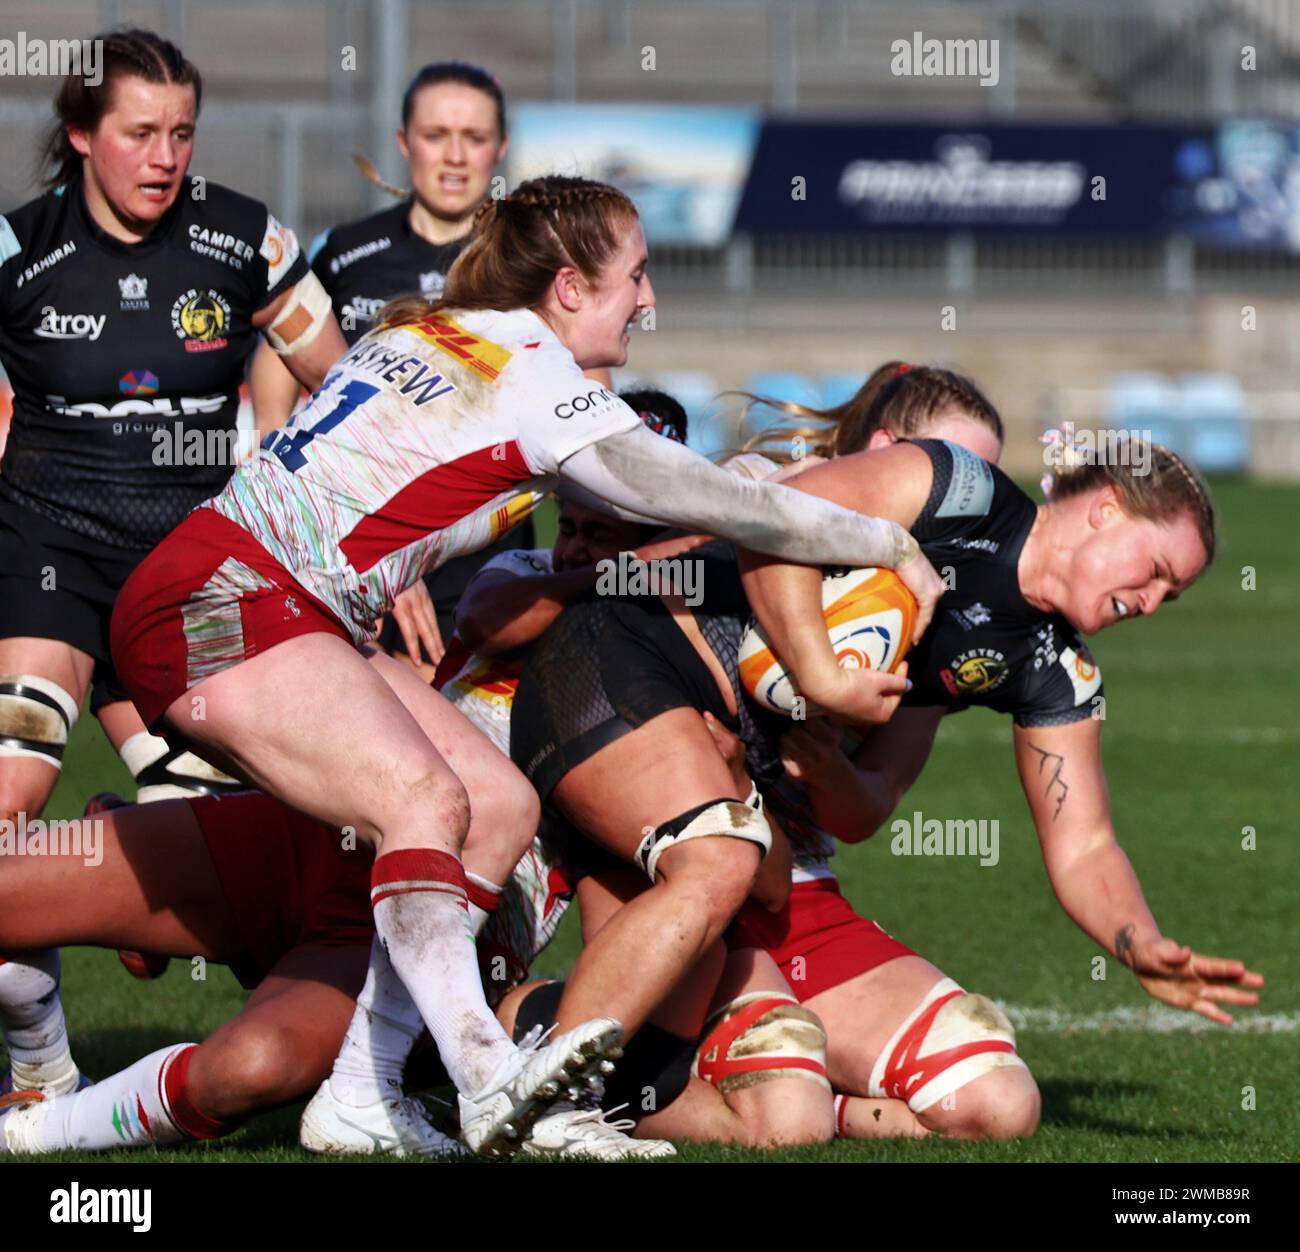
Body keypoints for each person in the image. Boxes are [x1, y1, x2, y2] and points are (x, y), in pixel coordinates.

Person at [107, 174, 942, 1156]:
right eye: (635, 275)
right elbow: (714, 503)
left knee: (494, 805)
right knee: (424, 803)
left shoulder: (436, 330)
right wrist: (880, 540)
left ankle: (362, 1093)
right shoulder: (537, 374)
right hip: (221, 601)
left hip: (254, 596)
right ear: (568, 285)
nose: (649, 299)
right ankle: (486, 1077)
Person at [0, 26, 346, 1085]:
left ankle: (346, 1047)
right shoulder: (18, 248)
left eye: (182, 133)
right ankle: (37, 1061)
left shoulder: (249, 241)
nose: (164, 156)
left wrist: (336, 536)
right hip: (50, 553)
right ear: (81, 136)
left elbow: (343, 388)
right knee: (7, 807)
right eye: (140, 132)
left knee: (226, 865)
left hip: (190, 572)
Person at [248, 60, 533, 676]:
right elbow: (277, 354)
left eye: (475, 138)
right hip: (362, 532)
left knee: (486, 734)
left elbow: (587, 383)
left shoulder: (529, 256)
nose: (455, 157)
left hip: (487, 539)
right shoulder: (346, 251)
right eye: (436, 136)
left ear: (500, 148)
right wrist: (283, 476)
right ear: (405, 143)